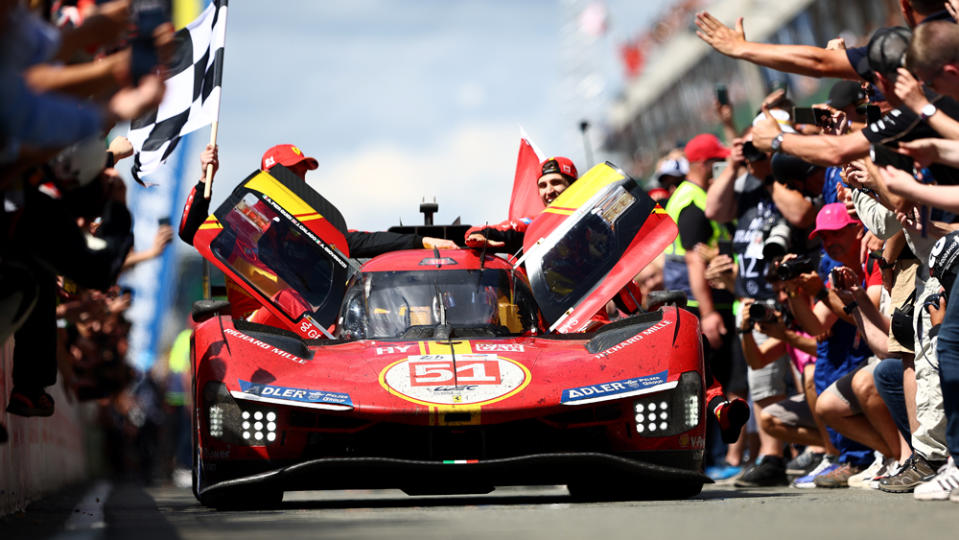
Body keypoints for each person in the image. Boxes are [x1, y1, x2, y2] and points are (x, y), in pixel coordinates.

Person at [179, 143, 457, 256]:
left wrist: (420, 241)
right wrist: (206, 179)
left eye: (302, 174)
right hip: (255, 324)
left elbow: (355, 243)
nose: (300, 182)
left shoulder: (311, 225)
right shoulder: (249, 219)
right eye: (292, 174)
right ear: (269, 178)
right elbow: (192, 233)